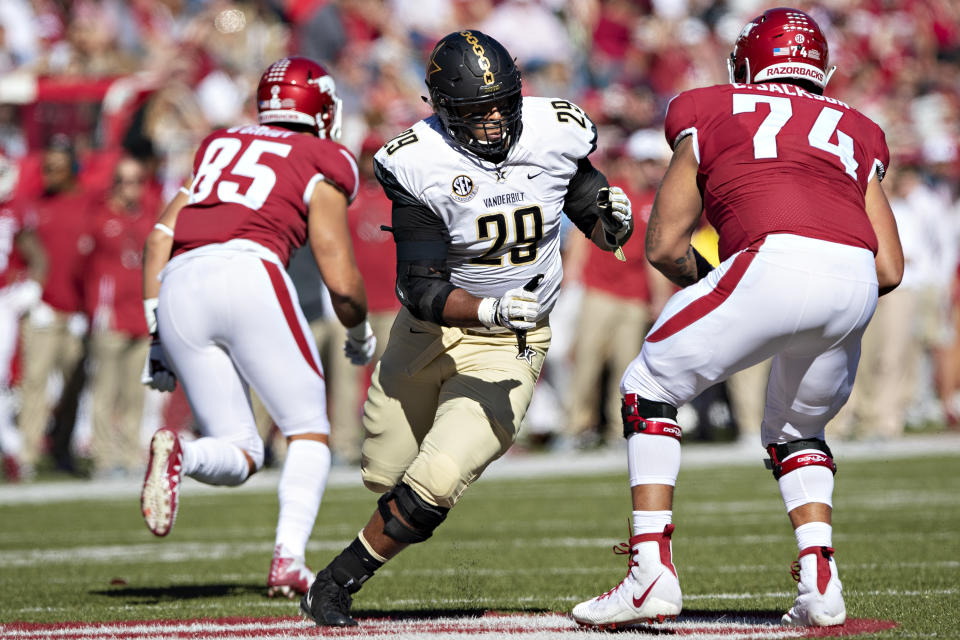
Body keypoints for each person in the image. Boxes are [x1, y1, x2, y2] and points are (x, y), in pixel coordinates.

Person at [571, 8, 903, 630]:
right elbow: (889, 267)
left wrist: (725, 292)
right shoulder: (857, 127)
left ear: (747, 63)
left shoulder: (708, 106)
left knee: (649, 385)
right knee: (796, 431)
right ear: (819, 69)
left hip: (770, 259)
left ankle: (650, 572)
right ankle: (820, 583)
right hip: (855, 279)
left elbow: (666, 243)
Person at [300, 30, 635, 627]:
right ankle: (401, 508)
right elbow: (419, 287)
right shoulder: (415, 160)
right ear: (443, 110)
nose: (495, 120)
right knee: (385, 470)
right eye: (477, 111)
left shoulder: (554, 127)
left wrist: (610, 218)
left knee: (438, 478)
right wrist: (488, 308)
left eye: (504, 103)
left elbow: (584, 200)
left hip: (512, 344)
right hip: (433, 328)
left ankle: (337, 580)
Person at [138, 56, 375, 599]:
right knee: (308, 429)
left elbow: (157, 239)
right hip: (249, 269)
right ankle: (288, 559)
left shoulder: (219, 145)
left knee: (241, 452)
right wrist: (359, 333)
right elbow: (339, 276)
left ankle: (183, 450)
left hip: (178, 283)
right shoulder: (324, 156)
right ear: (318, 103)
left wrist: (156, 336)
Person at [17, 136, 93, 477]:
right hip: (44, 311)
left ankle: (62, 448)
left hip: (76, 311)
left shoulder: (89, 205)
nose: (48, 173)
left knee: (74, 386)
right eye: (46, 167)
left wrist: (88, 308)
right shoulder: (36, 205)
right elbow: (22, 249)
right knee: (34, 383)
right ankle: (28, 455)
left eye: (56, 167)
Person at [86, 155, 157, 478]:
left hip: (138, 315)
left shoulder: (146, 217)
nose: (133, 189)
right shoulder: (100, 217)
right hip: (110, 314)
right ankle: (103, 456)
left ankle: (130, 453)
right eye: (126, 181)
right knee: (105, 390)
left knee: (134, 392)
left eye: (138, 181)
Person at [0, 153, 47, 481]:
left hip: (3, 300)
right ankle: (11, 446)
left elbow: (37, 254)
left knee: (2, 377)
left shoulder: (15, 209)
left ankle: (12, 447)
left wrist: (32, 286)